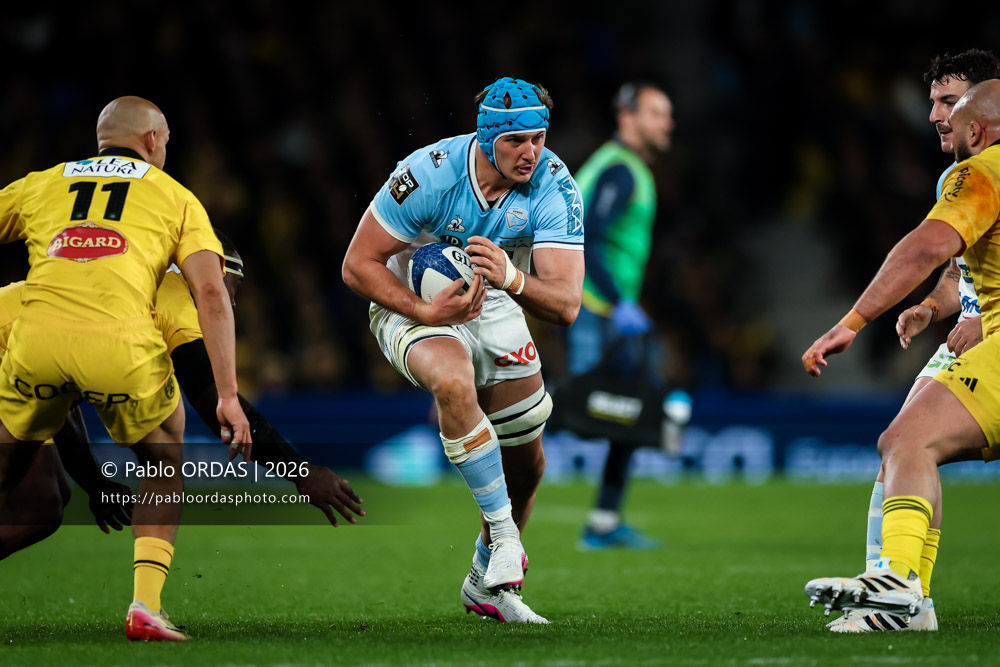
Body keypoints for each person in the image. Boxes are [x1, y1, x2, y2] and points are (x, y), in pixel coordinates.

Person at [0, 96, 251, 642]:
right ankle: (145, 606)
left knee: (13, 481)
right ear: (154, 140)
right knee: (162, 459)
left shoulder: (42, 183)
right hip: (119, 347)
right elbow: (211, 292)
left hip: (33, 339)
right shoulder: (175, 195)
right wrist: (228, 394)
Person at [342, 77, 584, 624]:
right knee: (453, 382)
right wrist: (424, 311)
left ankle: (484, 584)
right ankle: (505, 537)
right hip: (413, 299)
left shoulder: (554, 184)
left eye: (539, 138)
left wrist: (512, 278)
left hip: (495, 295)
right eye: (516, 141)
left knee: (527, 463)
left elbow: (567, 303)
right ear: (488, 137)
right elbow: (357, 264)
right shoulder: (428, 174)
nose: (531, 153)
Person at [0, 232, 364, 562]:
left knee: (43, 505)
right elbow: (215, 406)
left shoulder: (137, 288)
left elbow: (57, 404)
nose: (232, 303)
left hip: (17, 358)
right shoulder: (174, 298)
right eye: (234, 287)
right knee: (39, 505)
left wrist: (95, 484)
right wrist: (301, 473)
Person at [801, 79, 1000, 630]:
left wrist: (852, 321)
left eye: (951, 115)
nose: (939, 122)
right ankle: (911, 601)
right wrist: (939, 308)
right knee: (912, 445)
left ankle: (897, 582)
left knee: (907, 440)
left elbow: (926, 247)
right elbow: (958, 270)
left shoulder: (980, 171)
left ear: (976, 132)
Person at [565, 81, 677, 550]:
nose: (667, 123)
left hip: (602, 306)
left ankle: (604, 522)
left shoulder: (615, 164)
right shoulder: (622, 170)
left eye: (668, 114)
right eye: (657, 113)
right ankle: (478, 401)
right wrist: (619, 301)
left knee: (629, 406)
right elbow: (589, 236)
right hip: (597, 307)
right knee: (579, 408)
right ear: (626, 117)